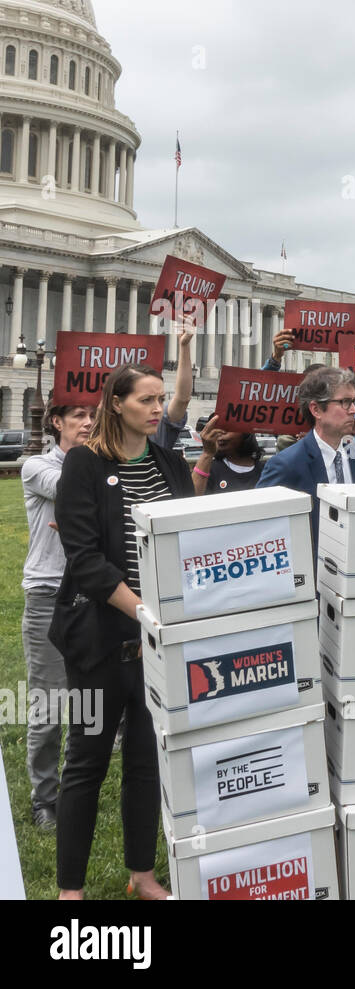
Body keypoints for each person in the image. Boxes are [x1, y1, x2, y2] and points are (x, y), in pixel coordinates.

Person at [51, 364, 196, 900]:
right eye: (147, 399)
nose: (158, 408)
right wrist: (143, 613)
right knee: (86, 760)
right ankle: (71, 889)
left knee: (145, 757)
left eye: (161, 399)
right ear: (117, 403)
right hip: (100, 638)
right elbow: (86, 560)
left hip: (156, 641)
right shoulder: (84, 464)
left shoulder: (169, 463)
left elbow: (188, 540)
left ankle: (142, 873)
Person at [20, 403, 95, 832]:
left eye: (93, 418)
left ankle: (76, 789)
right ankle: (44, 799)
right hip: (49, 593)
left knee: (90, 704)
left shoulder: (101, 466)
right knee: (49, 706)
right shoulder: (36, 466)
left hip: (92, 594)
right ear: (57, 422)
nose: (88, 424)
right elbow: (71, 488)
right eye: (79, 416)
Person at [256, 367, 355, 548]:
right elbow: (260, 525)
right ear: (316, 410)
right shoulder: (286, 464)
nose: (354, 410)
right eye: (345, 402)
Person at [191, 415, 265, 494]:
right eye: (215, 429)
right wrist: (207, 454)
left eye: (228, 428)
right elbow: (192, 499)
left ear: (246, 433)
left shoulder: (266, 470)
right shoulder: (208, 469)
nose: (220, 433)